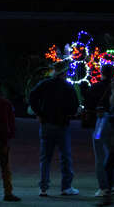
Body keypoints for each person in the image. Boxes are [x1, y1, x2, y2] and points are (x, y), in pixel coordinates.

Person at [28, 62, 80, 197]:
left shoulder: (44, 84)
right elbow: (74, 106)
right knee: (65, 156)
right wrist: (69, 114)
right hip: (62, 125)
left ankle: (43, 188)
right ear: (63, 73)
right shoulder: (68, 87)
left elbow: (32, 97)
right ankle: (66, 187)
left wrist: (39, 113)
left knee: (45, 157)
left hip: (46, 124)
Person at [85, 64, 114, 197]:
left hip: (99, 123)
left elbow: (88, 105)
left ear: (101, 73)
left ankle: (103, 187)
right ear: (113, 73)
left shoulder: (94, 87)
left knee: (100, 155)